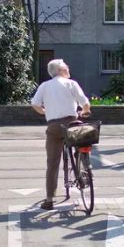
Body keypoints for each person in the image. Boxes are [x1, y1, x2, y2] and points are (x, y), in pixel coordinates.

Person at [31, 59, 91, 210]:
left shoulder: (44, 86)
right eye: (66, 67)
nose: (68, 68)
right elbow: (85, 103)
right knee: (79, 143)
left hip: (54, 126)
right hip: (71, 124)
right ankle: (83, 170)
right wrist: (84, 111)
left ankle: (49, 199)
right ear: (60, 70)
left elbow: (35, 104)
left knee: (52, 163)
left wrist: (45, 112)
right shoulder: (71, 83)